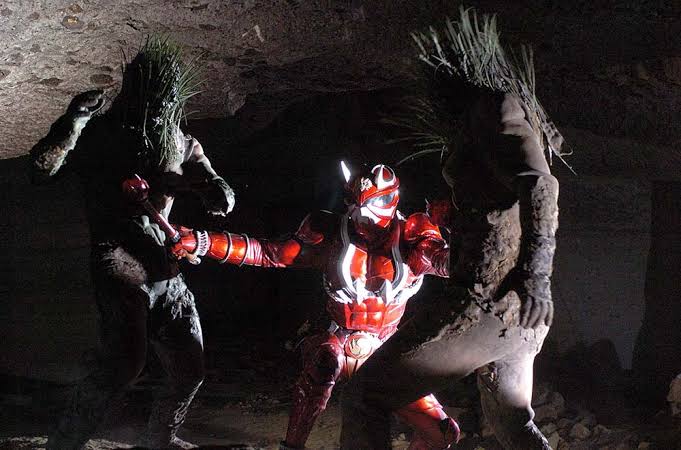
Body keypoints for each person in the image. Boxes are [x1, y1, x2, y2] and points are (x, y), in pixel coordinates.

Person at [338, 8, 564, 449]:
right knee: (512, 422)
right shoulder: (482, 122)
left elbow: (540, 186)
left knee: (366, 395)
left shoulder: (494, 106)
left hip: (489, 304)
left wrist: (537, 277)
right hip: (516, 313)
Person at [29, 36, 235, 449]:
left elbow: (222, 193)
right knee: (123, 366)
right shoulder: (102, 136)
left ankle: (159, 438)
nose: (157, 106)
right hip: (119, 263)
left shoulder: (179, 141)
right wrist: (73, 121)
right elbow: (42, 168)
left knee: (190, 369)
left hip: (166, 267)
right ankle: (65, 442)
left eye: (164, 100)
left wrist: (215, 191)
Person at [172, 162, 460, 449]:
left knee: (443, 433)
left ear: (390, 200)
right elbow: (271, 253)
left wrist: (457, 224)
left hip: (386, 346)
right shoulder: (330, 231)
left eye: (373, 205)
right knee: (325, 362)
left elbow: (453, 264)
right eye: (355, 204)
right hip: (337, 335)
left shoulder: (413, 236)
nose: (363, 216)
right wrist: (201, 241)